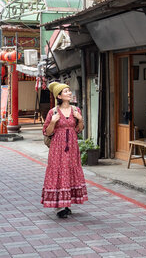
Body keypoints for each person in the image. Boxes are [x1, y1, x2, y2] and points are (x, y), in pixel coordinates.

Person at [42, 81, 87, 218]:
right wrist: (53, 121)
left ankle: (66, 203)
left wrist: (80, 120)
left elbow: (79, 130)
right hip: (57, 147)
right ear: (59, 96)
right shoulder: (53, 112)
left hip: (72, 146)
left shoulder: (76, 110)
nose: (69, 93)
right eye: (66, 91)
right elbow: (47, 132)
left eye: (69, 90)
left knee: (70, 170)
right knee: (58, 171)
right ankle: (59, 206)